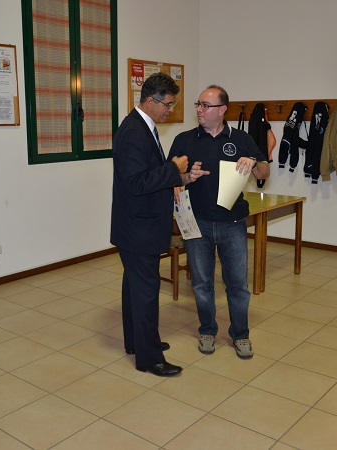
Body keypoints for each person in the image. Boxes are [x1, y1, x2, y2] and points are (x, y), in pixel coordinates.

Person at [111, 73, 207, 377]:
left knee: (135, 290)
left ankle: (137, 342)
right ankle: (149, 358)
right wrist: (172, 168)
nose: (171, 110)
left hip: (138, 226)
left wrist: (182, 177)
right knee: (146, 292)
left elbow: (149, 177)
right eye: (168, 104)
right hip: (138, 229)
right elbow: (137, 183)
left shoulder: (143, 127)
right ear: (151, 100)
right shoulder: (133, 132)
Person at [168, 85, 270, 359]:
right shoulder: (184, 140)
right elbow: (170, 176)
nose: (199, 110)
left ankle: (241, 334)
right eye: (198, 104)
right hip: (197, 223)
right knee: (202, 284)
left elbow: (264, 171)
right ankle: (207, 330)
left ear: (223, 109)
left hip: (232, 222)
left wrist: (253, 163)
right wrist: (185, 178)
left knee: (237, 284)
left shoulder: (241, 139)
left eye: (206, 105)